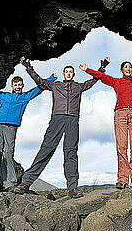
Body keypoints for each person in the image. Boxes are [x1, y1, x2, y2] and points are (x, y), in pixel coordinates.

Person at [13, 56, 109, 199]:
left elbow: (94, 80)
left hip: (72, 120)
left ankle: (72, 188)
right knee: (46, 149)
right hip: (57, 118)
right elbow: (39, 81)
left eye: (71, 71)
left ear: (74, 74)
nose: (69, 73)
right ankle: (25, 183)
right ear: (64, 74)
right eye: (67, 71)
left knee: (70, 152)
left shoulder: (79, 86)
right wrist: (28, 67)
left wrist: (102, 68)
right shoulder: (55, 85)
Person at [81, 59, 132, 189]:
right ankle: (123, 180)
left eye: (130, 67)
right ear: (121, 70)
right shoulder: (116, 82)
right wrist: (87, 69)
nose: (128, 69)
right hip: (120, 114)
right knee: (121, 147)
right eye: (126, 67)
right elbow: (101, 76)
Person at [0, 69, 56, 191]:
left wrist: (51, 78)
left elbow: (39, 88)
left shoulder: (25, 97)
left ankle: (10, 181)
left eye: (20, 85)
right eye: (15, 85)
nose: (18, 87)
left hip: (11, 126)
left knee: (8, 152)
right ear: (12, 86)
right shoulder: (5, 96)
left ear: (22, 86)